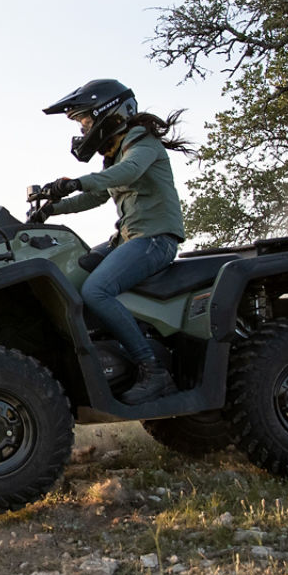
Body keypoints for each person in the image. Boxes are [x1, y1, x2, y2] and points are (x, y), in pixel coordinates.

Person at [27, 78, 191, 405]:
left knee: (96, 290)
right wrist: (50, 210)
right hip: (128, 240)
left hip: (155, 239)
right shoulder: (115, 153)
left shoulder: (141, 143)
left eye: (86, 121)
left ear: (108, 114)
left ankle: (152, 368)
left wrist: (74, 182)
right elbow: (97, 196)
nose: (84, 129)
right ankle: (106, 359)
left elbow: (126, 174)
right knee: (73, 273)